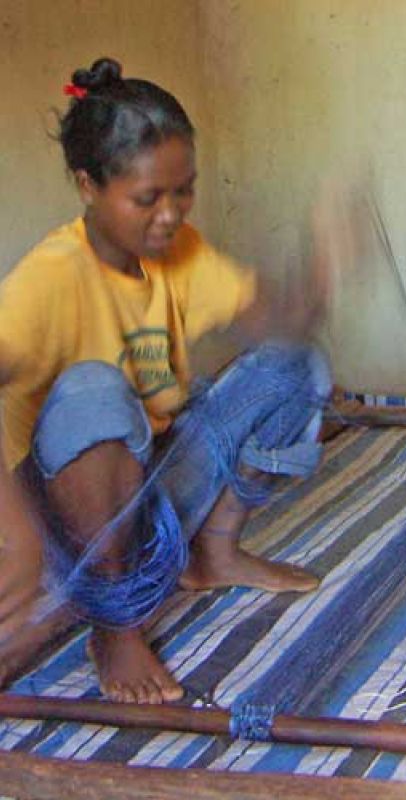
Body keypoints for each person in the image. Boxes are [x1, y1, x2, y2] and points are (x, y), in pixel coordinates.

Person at [0, 57, 337, 704]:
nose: (171, 214)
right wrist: (16, 538)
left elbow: (279, 320)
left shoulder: (181, 252)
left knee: (296, 364)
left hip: (146, 483)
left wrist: (322, 260)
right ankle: (115, 617)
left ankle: (211, 554)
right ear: (88, 185)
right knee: (96, 393)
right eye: (147, 198)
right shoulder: (47, 279)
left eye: (184, 190)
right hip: (68, 515)